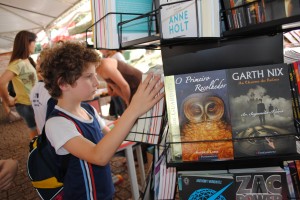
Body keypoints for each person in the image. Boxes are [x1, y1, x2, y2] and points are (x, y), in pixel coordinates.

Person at [40, 42, 163, 199]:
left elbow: (111, 138)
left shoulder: (88, 110)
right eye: (89, 77)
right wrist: (133, 109)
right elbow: (98, 156)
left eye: (95, 76)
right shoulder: (57, 123)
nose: (97, 83)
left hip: (104, 192)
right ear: (63, 83)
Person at [0, 30, 38, 139]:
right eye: (34, 42)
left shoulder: (26, 60)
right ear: (27, 43)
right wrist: (8, 100)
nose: (35, 45)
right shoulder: (18, 63)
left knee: (38, 131)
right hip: (26, 104)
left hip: (32, 102)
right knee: (35, 133)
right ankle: (35, 153)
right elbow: (1, 83)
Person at [30, 50, 52, 134]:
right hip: (53, 136)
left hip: (43, 134)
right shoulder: (52, 91)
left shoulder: (34, 89)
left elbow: (37, 116)